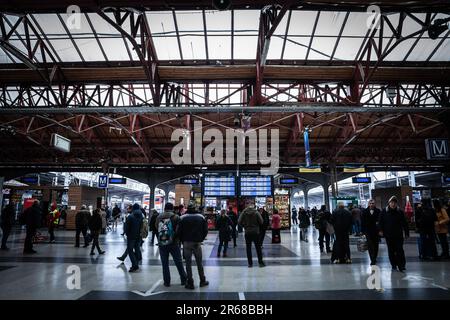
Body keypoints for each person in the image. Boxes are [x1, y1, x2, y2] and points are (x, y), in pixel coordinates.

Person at [177, 203, 209, 289]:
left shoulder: (182, 217)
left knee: (188, 263)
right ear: (195, 208)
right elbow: (205, 230)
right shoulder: (201, 217)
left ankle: (190, 282)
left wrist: (182, 240)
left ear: (188, 208)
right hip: (197, 243)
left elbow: (178, 231)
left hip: (186, 243)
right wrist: (201, 239)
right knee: (199, 263)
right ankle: (202, 281)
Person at [155, 203, 187, 287]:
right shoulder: (176, 217)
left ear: (165, 208)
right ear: (172, 208)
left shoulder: (159, 217)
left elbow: (156, 227)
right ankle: (183, 279)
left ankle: (167, 282)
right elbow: (180, 230)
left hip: (162, 243)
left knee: (164, 264)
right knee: (178, 262)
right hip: (174, 243)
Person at [378, 196, 409, 272]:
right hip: (388, 235)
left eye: (395, 202)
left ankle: (401, 265)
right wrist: (380, 230)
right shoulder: (384, 211)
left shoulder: (400, 212)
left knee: (400, 250)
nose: (393, 204)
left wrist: (406, 233)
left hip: (398, 235)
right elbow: (380, 222)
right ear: (389, 203)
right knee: (391, 251)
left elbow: (404, 223)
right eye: (392, 202)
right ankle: (394, 265)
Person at [124, 203, 143, 272]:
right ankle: (136, 262)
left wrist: (126, 233)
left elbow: (127, 227)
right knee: (137, 249)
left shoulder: (130, 216)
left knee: (130, 250)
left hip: (131, 236)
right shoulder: (141, 216)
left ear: (133, 208)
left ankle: (135, 265)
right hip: (139, 236)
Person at [361, 199, 381, 265]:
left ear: (375, 204)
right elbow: (362, 222)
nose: (371, 204)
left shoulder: (378, 211)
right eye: (370, 203)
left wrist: (380, 230)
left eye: (373, 203)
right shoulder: (364, 211)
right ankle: (372, 259)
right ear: (368, 204)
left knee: (376, 246)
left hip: (376, 231)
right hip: (368, 231)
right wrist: (363, 232)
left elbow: (380, 222)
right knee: (370, 245)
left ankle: (374, 257)